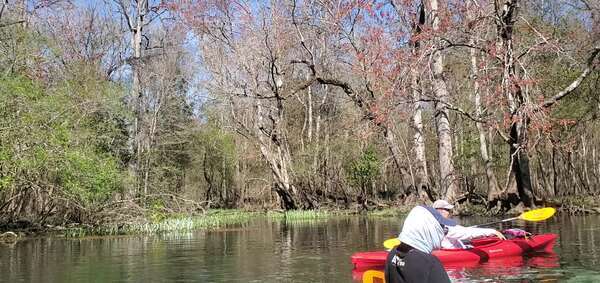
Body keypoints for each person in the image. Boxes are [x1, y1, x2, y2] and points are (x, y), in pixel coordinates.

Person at [384, 205, 454, 283]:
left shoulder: (392, 254)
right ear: (429, 229)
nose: (444, 233)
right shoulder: (430, 263)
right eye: (443, 228)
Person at [432, 200, 505, 249]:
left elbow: (460, 229)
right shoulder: (446, 227)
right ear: (440, 211)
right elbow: (467, 233)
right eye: (448, 210)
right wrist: (493, 231)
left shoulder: (433, 223)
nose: (450, 212)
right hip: (453, 255)